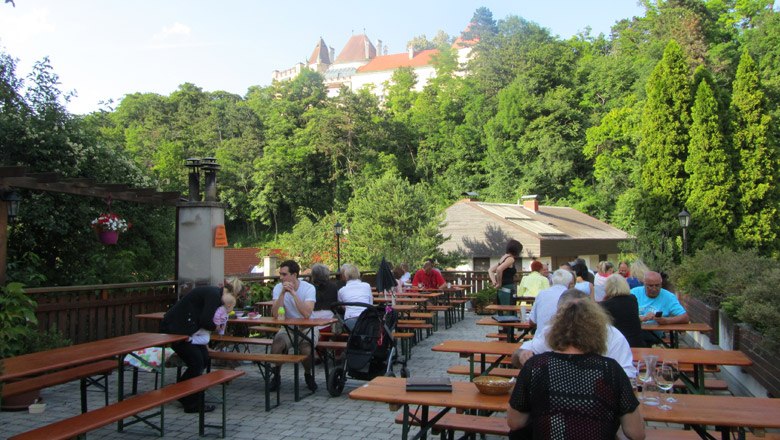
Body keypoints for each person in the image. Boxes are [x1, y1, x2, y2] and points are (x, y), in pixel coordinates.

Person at [507, 294, 645, 440]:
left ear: (555, 327)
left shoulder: (535, 366)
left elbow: (514, 423)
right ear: (598, 329)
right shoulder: (611, 369)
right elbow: (637, 433)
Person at [513, 288, 635, 378]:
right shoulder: (552, 332)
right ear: (559, 314)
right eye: (568, 313)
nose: (575, 318)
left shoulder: (612, 336)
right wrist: (522, 354)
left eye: (582, 313)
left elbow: (628, 374)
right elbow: (518, 354)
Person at [160, 279, 241, 413]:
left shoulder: (214, 293)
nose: (227, 306)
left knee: (203, 358)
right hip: (176, 330)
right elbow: (205, 320)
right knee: (196, 361)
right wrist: (217, 327)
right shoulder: (214, 296)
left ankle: (185, 394)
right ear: (229, 293)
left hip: (185, 330)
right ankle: (190, 401)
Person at [269, 260, 318, 392]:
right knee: (277, 344)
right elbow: (274, 314)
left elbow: (307, 313)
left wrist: (294, 294)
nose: (281, 277)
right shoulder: (278, 288)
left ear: (294, 275)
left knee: (306, 349)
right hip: (288, 328)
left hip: (308, 327)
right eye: (280, 274)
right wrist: (282, 294)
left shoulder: (308, 288)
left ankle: (308, 374)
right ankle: (276, 376)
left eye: (284, 274)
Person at [632, 271, 689, 346]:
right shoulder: (633, 293)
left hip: (655, 335)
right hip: (636, 332)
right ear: (644, 284)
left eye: (657, 285)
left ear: (661, 284)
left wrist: (666, 321)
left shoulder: (668, 297)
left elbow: (685, 318)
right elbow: (623, 315)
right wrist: (641, 318)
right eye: (651, 286)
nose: (654, 289)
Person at [601, 274, 645, 348]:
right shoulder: (632, 299)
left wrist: (604, 300)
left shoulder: (605, 305)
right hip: (637, 342)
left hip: (618, 345)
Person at [337, 263, 374, 330]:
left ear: (345, 276)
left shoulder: (341, 291)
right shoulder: (367, 286)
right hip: (366, 319)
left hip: (350, 320)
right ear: (358, 274)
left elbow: (343, 307)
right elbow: (370, 304)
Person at [488, 240, 522, 309]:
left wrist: (495, 282)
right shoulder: (511, 259)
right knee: (509, 310)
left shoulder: (504, 257)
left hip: (501, 290)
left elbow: (490, 270)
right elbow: (499, 269)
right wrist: (499, 283)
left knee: (502, 310)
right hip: (507, 288)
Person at [309, 263, 339, 330]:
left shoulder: (309, 287)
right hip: (330, 321)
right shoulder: (334, 286)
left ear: (313, 274)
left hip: (312, 321)